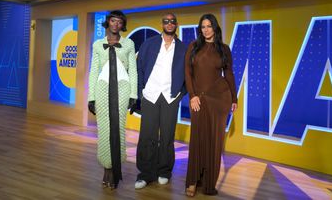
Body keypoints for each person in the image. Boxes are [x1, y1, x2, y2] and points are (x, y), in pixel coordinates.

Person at [184, 13, 238, 197]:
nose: (206, 30)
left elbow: (229, 74)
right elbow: (188, 73)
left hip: (219, 99)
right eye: (203, 27)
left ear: (215, 27)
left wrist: (234, 98)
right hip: (198, 99)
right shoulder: (193, 47)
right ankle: (192, 181)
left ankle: (209, 184)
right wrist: (192, 95)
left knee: (215, 143)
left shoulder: (224, 49)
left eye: (209, 26)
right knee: (198, 139)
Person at [134, 13, 187, 189]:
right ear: (162, 24)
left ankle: (164, 171)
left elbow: (189, 75)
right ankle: (145, 174)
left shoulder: (183, 48)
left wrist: (180, 94)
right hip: (150, 95)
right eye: (166, 21)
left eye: (172, 21)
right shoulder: (149, 44)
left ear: (176, 25)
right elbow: (139, 68)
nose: (169, 24)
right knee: (147, 136)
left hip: (170, 98)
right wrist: (141, 91)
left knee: (166, 136)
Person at [87, 10, 138, 189]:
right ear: (108, 23)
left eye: (119, 22)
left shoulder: (129, 44)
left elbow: (133, 70)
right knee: (104, 129)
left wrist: (133, 95)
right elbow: (93, 71)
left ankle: (116, 168)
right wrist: (91, 97)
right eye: (113, 21)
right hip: (102, 89)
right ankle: (106, 169)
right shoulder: (97, 45)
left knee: (118, 128)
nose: (116, 24)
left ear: (122, 25)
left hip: (123, 89)